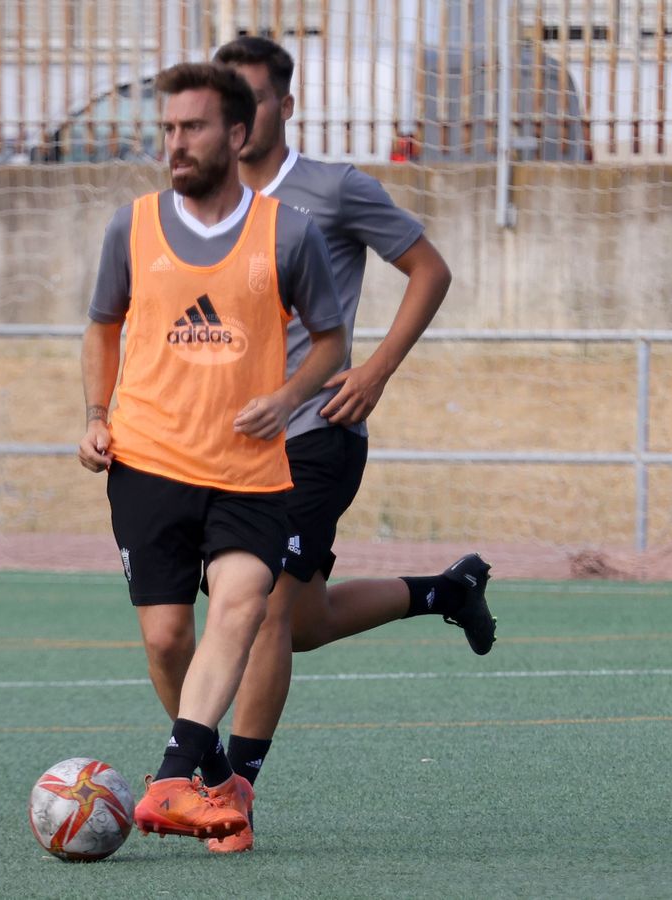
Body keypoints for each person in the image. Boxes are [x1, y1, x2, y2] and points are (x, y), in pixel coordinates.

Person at [185, 36, 496, 854]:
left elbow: (430, 268)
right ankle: (446, 593)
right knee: (306, 619)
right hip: (225, 447)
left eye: (249, 100)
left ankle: (235, 796)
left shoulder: (332, 190)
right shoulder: (201, 204)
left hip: (317, 434)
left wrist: (378, 369)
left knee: (262, 613)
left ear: (285, 106)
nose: (235, 118)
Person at [77, 61, 348, 843]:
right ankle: (216, 784)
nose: (176, 143)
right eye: (168, 129)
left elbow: (332, 342)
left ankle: (167, 782)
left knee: (242, 604)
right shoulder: (129, 227)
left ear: (236, 133)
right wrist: (96, 414)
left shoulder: (287, 232)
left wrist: (291, 397)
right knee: (168, 639)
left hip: (250, 473)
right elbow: (101, 324)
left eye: (192, 128)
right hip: (148, 462)